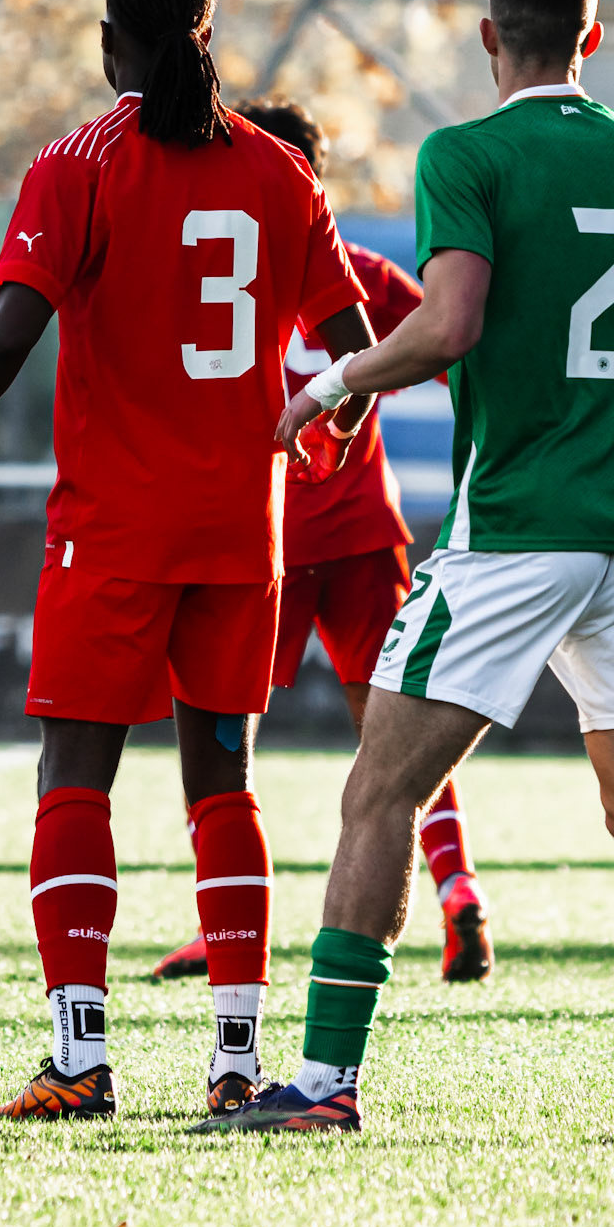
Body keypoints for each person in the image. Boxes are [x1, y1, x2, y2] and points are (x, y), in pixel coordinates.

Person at [196, 0, 614, 1144]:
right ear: (593, 36)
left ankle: (320, 1082)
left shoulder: (465, 151)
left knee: (379, 789)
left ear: (487, 37)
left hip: (517, 532)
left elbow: (448, 323)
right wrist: (612, 402)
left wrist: (334, 382)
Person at [0, 0, 372, 1123]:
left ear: (112, 42)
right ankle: (233, 1063)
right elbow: (353, 350)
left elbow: (11, 331)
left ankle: (80, 1057)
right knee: (225, 782)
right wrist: (320, 425)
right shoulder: (280, 173)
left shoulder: (77, 163)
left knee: (76, 776)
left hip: (112, 531)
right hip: (237, 532)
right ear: (205, 35)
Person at [152, 96, 492, 988]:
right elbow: (451, 348)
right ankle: (458, 894)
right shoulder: (368, 274)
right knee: (392, 732)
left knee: (226, 734)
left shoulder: (229, 264)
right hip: (358, 533)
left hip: (258, 535)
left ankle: (219, 925)